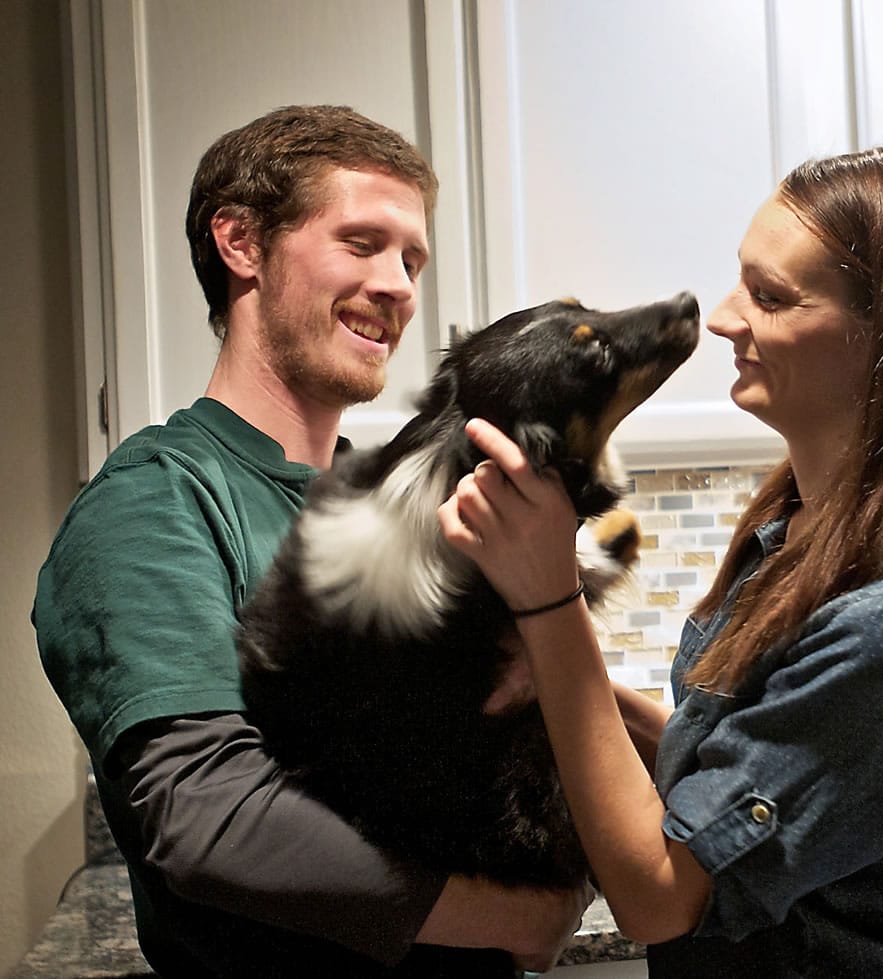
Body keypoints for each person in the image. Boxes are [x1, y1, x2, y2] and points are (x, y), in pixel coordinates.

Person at [440, 143, 883, 976]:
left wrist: (551, 603)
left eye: (769, 297)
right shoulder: (802, 529)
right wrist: (549, 678)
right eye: (742, 279)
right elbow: (727, 765)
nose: (725, 317)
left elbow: (659, 895)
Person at [33, 104, 592, 977]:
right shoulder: (157, 502)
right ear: (241, 243)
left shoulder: (404, 505)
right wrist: (515, 915)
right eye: (362, 243)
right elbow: (204, 814)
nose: (402, 284)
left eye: (412, 259)